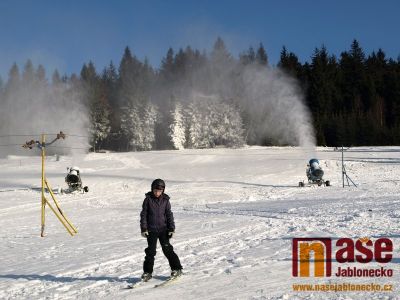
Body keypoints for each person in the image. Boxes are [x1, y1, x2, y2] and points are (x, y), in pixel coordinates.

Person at [140, 179, 183, 281]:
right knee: (150, 252)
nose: (157, 193)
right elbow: (144, 215)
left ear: (163, 190)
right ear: (152, 189)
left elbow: (169, 215)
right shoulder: (148, 200)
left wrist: (171, 228)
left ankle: (177, 269)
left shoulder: (165, 200)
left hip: (164, 230)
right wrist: (144, 228)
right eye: (155, 190)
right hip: (151, 230)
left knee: (167, 249)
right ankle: (147, 272)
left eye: (159, 191)